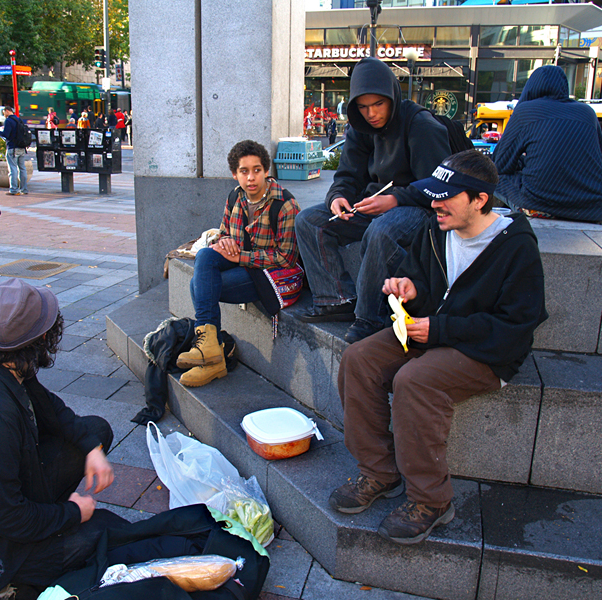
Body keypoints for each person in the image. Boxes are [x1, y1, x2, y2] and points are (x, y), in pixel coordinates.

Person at [330, 149, 547, 545]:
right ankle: (379, 472)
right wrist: (408, 291)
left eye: (446, 197)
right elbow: (422, 283)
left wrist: (441, 329)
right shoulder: (435, 229)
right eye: (432, 194)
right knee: (358, 357)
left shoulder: (515, 245)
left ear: (479, 200)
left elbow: (515, 326)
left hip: (485, 351)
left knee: (416, 380)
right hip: (429, 331)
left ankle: (431, 500)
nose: (434, 204)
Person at [0, 278, 124, 596]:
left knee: (95, 432)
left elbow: (50, 408)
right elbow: (7, 516)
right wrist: (73, 513)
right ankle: (10, 585)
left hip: (6, 505)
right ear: (41, 338)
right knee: (107, 530)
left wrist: (91, 448)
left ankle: (50, 520)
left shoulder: (6, 363)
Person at [295, 57, 452, 344]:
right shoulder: (360, 127)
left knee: (380, 232)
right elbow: (347, 175)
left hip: (417, 207)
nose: (371, 114)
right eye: (363, 107)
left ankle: (370, 318)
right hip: (374, 204)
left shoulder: (421, 125)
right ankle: (335, 298)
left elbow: (438, 187)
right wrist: (337, 197)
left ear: (392, 96)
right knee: (309, 221)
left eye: (378, 104)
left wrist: (395, 199)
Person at [176, 140, 300, 388]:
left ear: (267, 170)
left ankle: (212, 357)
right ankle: (211, 351)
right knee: (205, 256)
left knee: (198, 288)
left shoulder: (285, 205)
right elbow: (223, 232)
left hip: (267, 275)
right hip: (240, 262)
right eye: (244, 171)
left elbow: (287, 258)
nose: (251, 177)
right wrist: (226, 242)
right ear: (235, 174)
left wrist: (240, 257)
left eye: (257, 170)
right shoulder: (235, 195)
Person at [493, 65, 602, 226]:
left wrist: (523, 163)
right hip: (592, 202)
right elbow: (597, 157)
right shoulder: (587, 112)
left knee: (494, 177)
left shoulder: (526, 111)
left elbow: (500, 165)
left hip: (539, 200)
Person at [0, 106, 28, 196]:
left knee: (13, 169)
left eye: (4, 112)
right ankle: (24, 189)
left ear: (7, 111)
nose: (4, 114)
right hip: (22, 147)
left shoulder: (8, 121)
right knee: (22, 168)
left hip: (12, 147)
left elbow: (6, 135)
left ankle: (14, 189)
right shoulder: (19, 120)